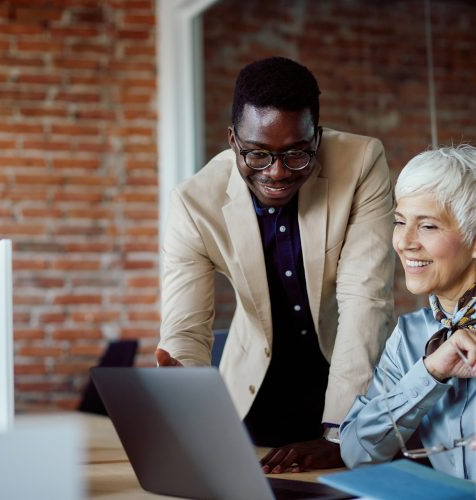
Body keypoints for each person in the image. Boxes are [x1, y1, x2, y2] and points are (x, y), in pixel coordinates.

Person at [156, 56, 395, 471]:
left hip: (351, 379)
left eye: (296, 155)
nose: (278, 173)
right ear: (233, 140)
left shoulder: (361, 163)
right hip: (253, 392)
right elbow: (185, 329)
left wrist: (343, 432)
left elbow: (365, 300)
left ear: (316, 138)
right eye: (257, 155)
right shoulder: (194, 203)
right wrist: (189, 406)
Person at [340, 145, 476, 480]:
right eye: (400, 222)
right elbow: (357, 452)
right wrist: (430, 372)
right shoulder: (411, 335)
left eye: (428, 226)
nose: (404, 242)